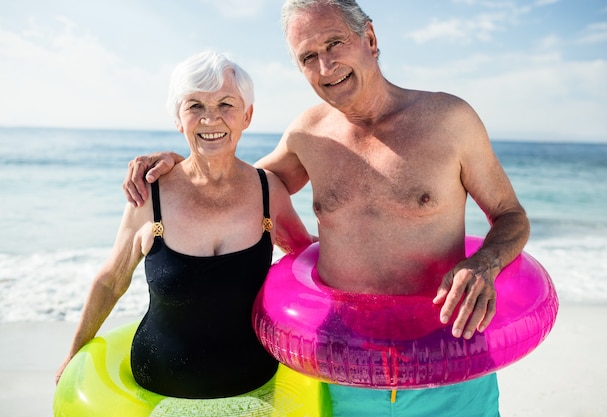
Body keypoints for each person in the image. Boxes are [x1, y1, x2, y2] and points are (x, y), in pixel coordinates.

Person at [123, 1, 530, 415]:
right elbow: (234, 185)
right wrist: (179, 164)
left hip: (451, 362)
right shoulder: (308, 136)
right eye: (308, 57)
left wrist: (485, 263)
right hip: (344, 371)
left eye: (334, 42)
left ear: (369, 38)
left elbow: (510, 214)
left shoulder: (450, 120)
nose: (325, 65)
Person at [56, 50, 313, 401]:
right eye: (195, 106)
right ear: (178, 119)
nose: (211, 119)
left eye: (226, 104)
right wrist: (72, 356)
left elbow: (306, 259)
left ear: (247, 115)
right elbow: (112, 279)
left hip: (256, 383)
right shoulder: (150, 193)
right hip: (158, 386)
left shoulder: (269, 191)